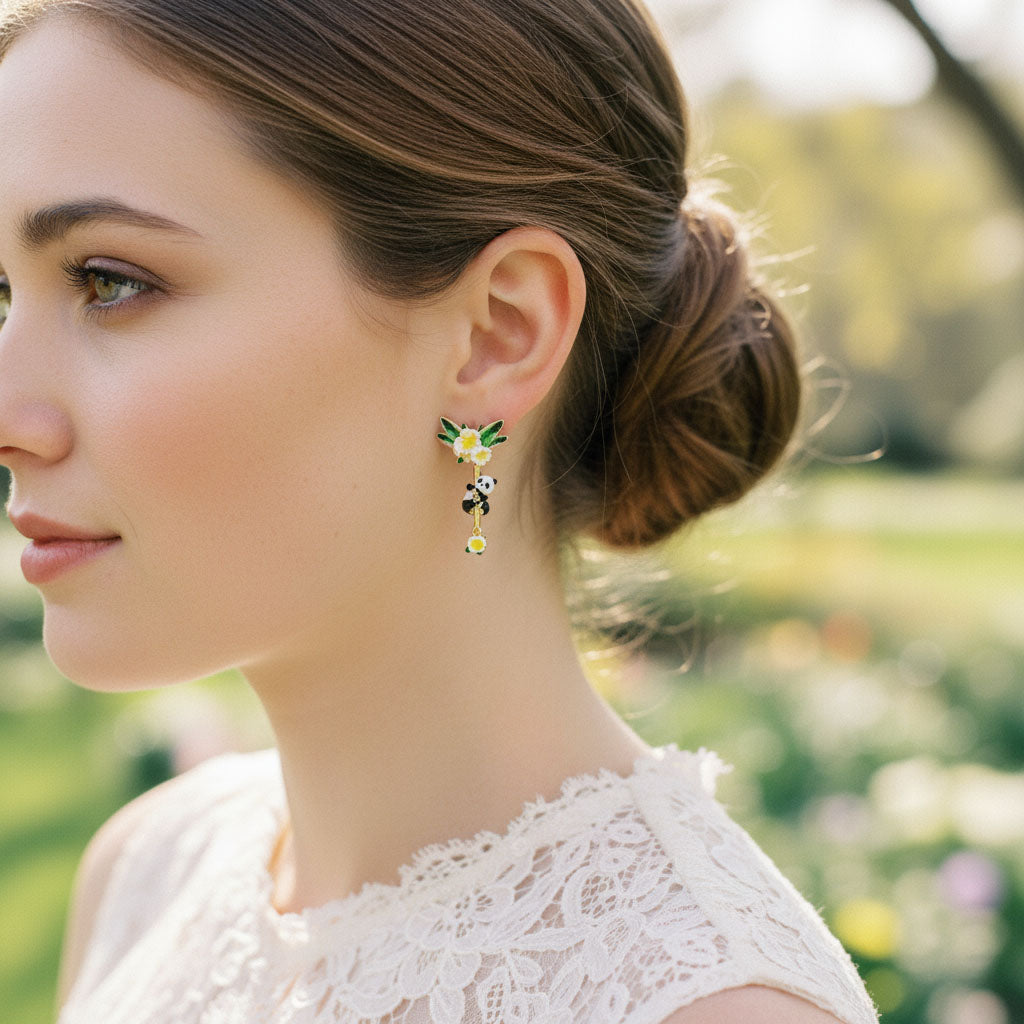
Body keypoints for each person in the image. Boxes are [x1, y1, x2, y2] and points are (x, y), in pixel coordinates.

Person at [0, 0, 880, 1021]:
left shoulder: (706, 1007)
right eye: (2, 293)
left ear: (498, 334)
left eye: (110, 282)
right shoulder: (147, 873)